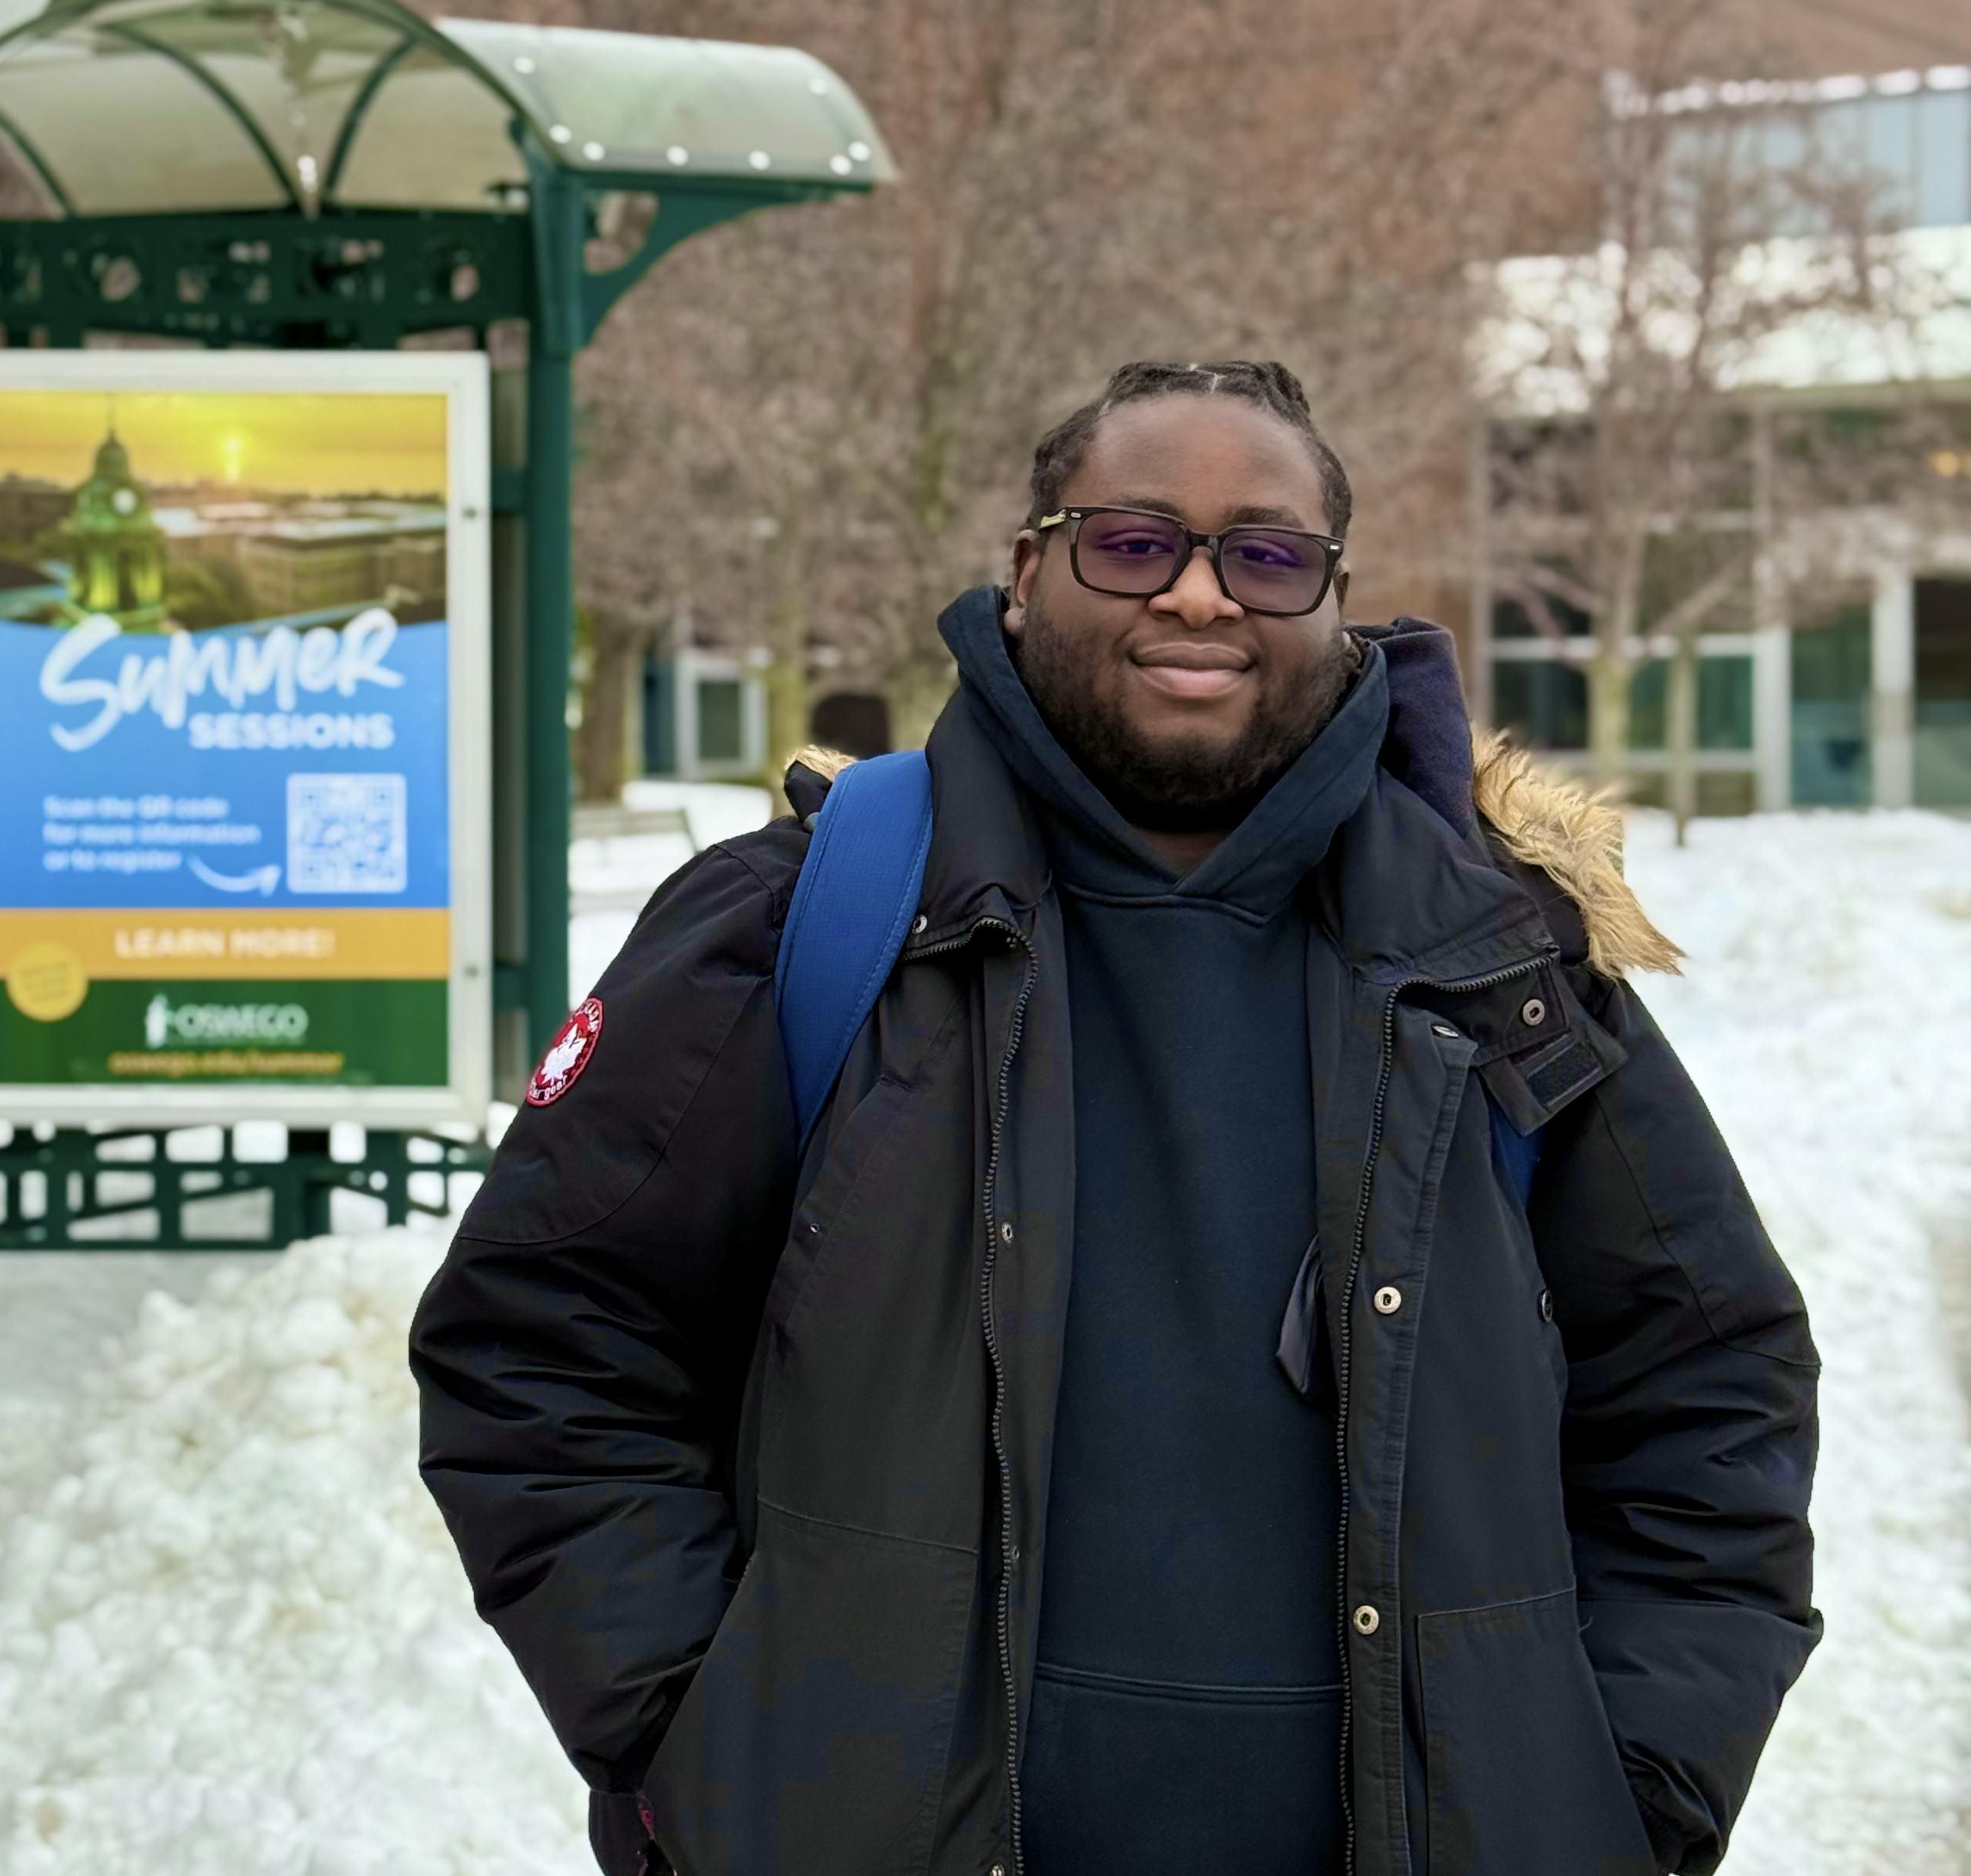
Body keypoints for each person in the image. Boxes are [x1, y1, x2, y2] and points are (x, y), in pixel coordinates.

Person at [409, 361, 1820, 1876]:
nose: (1202, 596)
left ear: (1337, 599)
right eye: (1133, 540)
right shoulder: (811, 924)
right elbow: (546, 1344)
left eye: (1267, 553)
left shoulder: (1502, 968)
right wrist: (709, 1752)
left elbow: (1708, 1386)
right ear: (1027, 572)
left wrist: (1626, 1796)